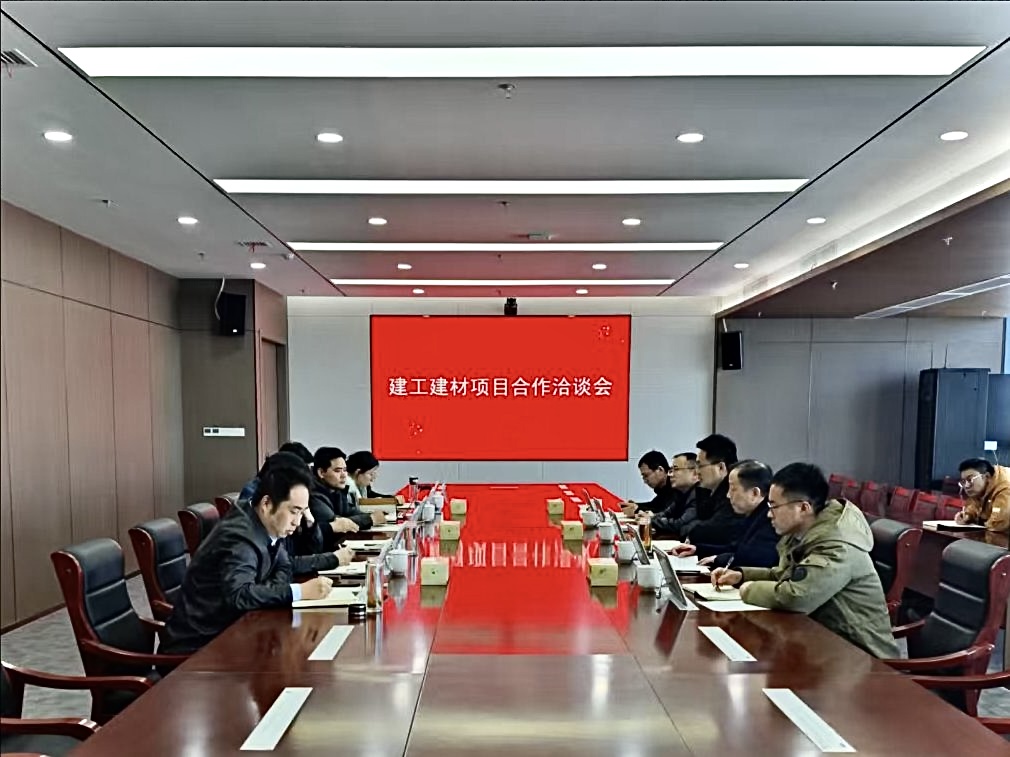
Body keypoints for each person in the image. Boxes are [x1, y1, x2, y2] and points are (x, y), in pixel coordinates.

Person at [711, 462, 898, 659]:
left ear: (803, 508)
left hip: (862, 657)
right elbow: (784, 575)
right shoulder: (803, 533)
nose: (768, 514)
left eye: (774, 506)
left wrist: (747, 589)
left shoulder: (837, 545)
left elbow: (797, 597)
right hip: (825, 644)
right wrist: (741, 575)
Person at [160, 462, 334, 654]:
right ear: (267, 504)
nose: (297, 522)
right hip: (200, 647)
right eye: (294, 511)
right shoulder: (239, 538)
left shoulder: (263, 519)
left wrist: (268, 588)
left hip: (235, 630)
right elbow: (240, 595)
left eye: (302, 512)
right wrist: (298, 591)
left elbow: (284, 566)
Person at [672, 460, 778, 569]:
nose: (728, 495)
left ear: (754, 493)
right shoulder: (753, 515)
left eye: (733, 489)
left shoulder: (771, 519)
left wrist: (719, 559)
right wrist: (697, 549)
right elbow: (734, 549)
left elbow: (757, 559)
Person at [677, 434, 746, 548]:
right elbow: (701, 520)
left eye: (700, 466)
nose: (696, 472)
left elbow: (710, 530)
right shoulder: (713, 490)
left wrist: (690, 533)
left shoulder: (734, 493)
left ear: (720, 467)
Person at [311, 446, 385, 550]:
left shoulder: (337, 490)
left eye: (345, 470)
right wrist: (370, 519)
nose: (344, 475)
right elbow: (339, 523)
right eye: (337, 471)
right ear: (321, 473)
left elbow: (350, 512)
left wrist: (370, 516)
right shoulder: (314, 495)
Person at [954, 458, 1009, 533]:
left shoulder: (1005, 489)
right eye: (963, 481)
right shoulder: (980, 490)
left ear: (987, 476)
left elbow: (998, 525)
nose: (966, 486)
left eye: (970, 480)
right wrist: (968, 516)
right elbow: (975, 504)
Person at [651, 452, 701, 534]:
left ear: (695, 473)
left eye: (676, 469)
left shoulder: (699, 495)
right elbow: (664, 514)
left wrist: (650, 520)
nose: (670, 475)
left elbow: (678, 525)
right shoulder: (680, 494)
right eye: (671, 470)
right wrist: (650, 518)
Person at [619, 451, 678, 516]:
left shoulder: (677, 486)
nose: (645, 481)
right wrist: (635, 505)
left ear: (660, 469)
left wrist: (637, 509)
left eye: (646, 475)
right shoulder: (663, 488)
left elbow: (665, 511)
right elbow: (654, 505)